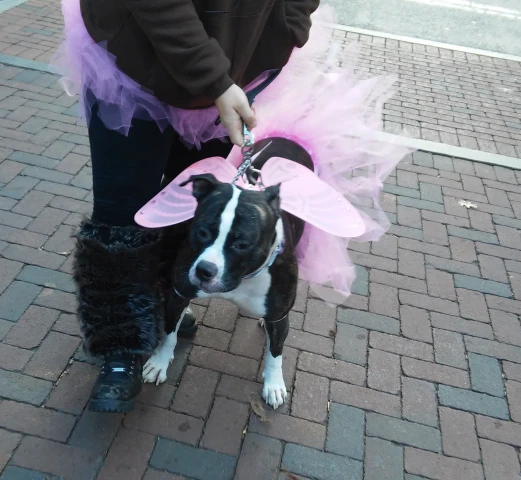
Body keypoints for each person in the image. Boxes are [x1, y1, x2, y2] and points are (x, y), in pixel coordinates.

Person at [51, 0, 322, 413]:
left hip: (232, 70)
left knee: (195, 210)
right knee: (122, 213)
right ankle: (121, 345)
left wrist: (286, 29)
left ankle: (163, 306)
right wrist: (214, 77)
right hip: (135, 63)